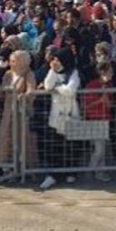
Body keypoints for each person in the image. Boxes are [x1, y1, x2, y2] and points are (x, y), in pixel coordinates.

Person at [38, 48, 81, 191]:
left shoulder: (73, 72)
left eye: (57, 60)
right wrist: (53, 72)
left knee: (70, 147)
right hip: (56, 115)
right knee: (54, 146)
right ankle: (52, 175)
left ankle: (71, 172)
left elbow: (71, 90)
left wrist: (57, 89)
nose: (55, 62)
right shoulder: (54, 72)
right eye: (53, 60)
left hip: (70, 114)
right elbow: (47, 85)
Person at [80, 57, 114, 182]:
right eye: (110, 71)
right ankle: (91, 170)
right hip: (93, 119)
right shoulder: (92, 85)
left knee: (102, 148)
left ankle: (100, 172)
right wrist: (100, 99)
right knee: (99, 149)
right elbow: (85, 105)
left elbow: (110, 105)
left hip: (105, 119)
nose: (112, 74)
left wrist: (106, 96)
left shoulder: (109, 86)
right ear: (102, 72)